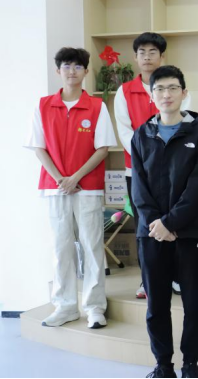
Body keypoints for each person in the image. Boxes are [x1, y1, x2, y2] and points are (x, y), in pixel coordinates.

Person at [131, 66, 198, 379]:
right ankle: (163, 365)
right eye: (160, 89)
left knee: (193, 304)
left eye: (172, 88)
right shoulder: (141, 135)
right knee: (157, 305)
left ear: (184, 92)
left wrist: (171, 222)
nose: (166, 94)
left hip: (189, 232)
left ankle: (190, 364)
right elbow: (138, 187)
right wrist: (157, 224)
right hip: (151, 233)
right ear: (152, 95)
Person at [25, 47, 116, 330]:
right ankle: (64, 306)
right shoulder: (43, 106)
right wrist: (61, 179)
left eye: (78, 66)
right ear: (58, 71)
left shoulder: (97, 106)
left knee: (91, 246)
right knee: (60, 247)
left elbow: (103, 148)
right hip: (55, 188)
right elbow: (39, 148)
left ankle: (94, 307)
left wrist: (75, 177)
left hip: (87, 187)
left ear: (86, 71)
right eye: (66, 66)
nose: (72, 71)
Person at [114, 32, 191, 299]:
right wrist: (146, 157)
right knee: (145, 225)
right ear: (135, 57)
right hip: (137, 171)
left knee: (175, 221)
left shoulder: (176, 86)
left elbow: (185, 123)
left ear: (162, 56)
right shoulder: (124, 91)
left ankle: (177, 276)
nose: (147, 57)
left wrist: (164, 156)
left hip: (175, 170)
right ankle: (147, 279)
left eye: (153, 52)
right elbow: (124, 130)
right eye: (142, 52)